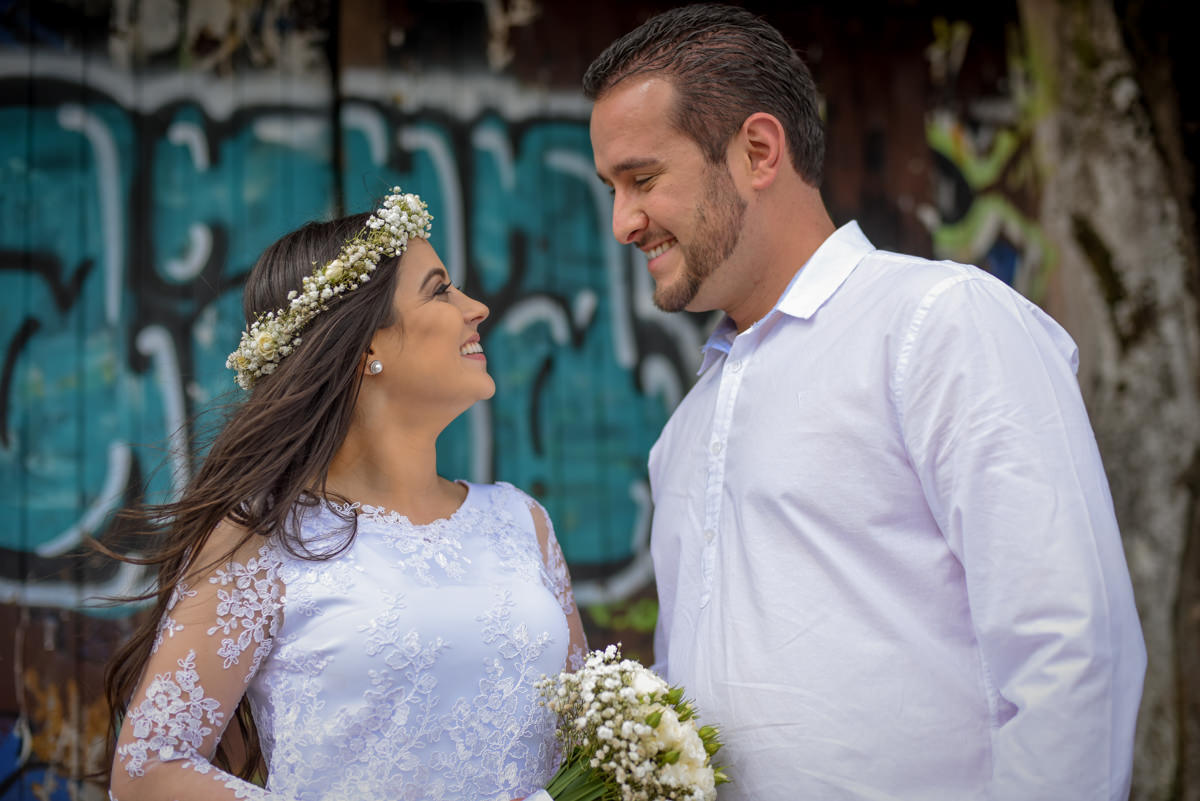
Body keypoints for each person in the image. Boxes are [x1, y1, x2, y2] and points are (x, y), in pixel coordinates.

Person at [584, 5, 1146, 800]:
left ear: (758, 151)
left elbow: (1071, 652)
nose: (622, 222)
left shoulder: (938, 323)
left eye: (642, 180)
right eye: (612, 188)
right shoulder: (685, 429)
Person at [102, 188, 585, 801]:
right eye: (440, 290)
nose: (477, 307)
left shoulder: (522, 522)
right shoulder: (261, 539)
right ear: (365, 346)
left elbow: (586, 740)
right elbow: (148, 770)